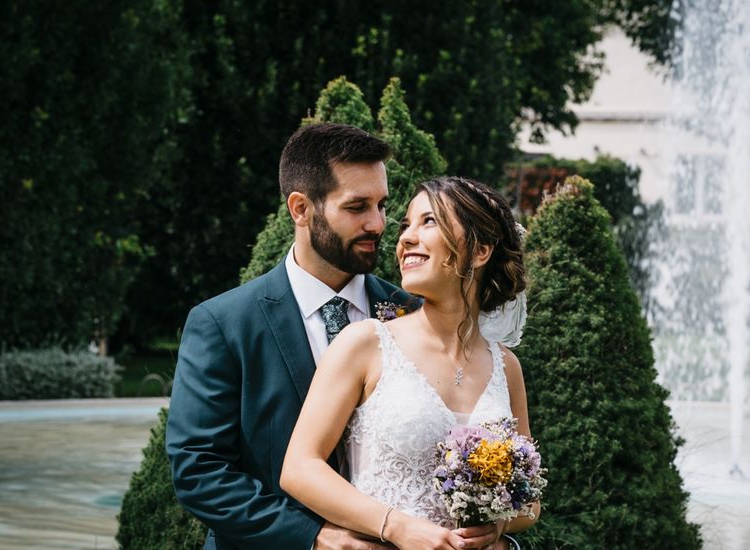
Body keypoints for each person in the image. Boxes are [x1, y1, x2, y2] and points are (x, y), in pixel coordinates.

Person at [166, 122, 414, 549]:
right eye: (357, 207)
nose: (377, 223)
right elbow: (199, 470)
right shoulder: (223, 324)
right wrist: (313, 537)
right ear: (300, 209)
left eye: (382, 204)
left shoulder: (412, 315)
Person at [280, 176, 539, 549]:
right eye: (405, 225)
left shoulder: (506, 366)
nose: (405, 238)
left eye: (428, 221)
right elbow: (300, 468)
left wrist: (496, 527)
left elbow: (529, 500)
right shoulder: (365, 343)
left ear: (481, 251)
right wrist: (396, 527)